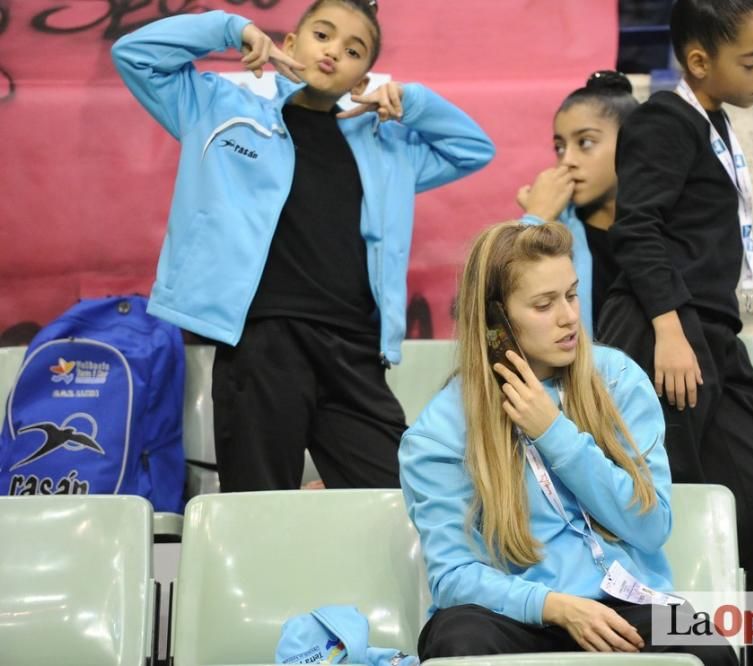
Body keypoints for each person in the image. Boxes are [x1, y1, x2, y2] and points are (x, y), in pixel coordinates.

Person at [111, 0, 494, 491]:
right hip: (263, 339)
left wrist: (411, 101)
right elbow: (134, 54)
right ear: (289, 44)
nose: (334, 51)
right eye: (323, 35)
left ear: (364, 76)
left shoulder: (385, 146)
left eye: (354, 50)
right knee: (258, 503)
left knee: (399, 498)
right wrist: (232, 29)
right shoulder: (218, 107)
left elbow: (473, 148)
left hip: (355, 349)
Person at [400, 222, 737, 665]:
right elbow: (454, 576)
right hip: (512, 612)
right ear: (494, 324)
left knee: (709, 648)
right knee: (457, 642)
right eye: (544, 304)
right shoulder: (438, 432)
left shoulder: (617, 379)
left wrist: (554, 433)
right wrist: (554, 606)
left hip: (623, 603)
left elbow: (651, 526)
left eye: (572, 295)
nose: (568, 317)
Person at [598, 0, 753, 596]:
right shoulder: (662, 121)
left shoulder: (710, 124)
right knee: (670, 493)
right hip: (667, 332)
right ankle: (671, 637)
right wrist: (669, 330)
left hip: (712, 335)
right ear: (700, 61)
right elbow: (637, 226)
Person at [517, 71, 639, 335]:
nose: (567, 160)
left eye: (585, 142)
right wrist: (535, 218)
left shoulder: (664, 230)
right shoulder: (557, 234)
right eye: (559, 147)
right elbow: (504, 306)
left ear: (632, 144)